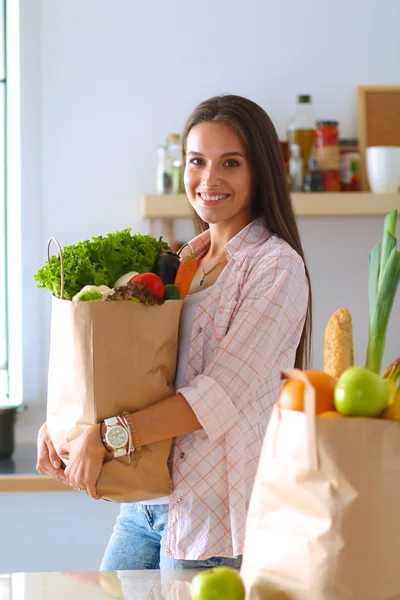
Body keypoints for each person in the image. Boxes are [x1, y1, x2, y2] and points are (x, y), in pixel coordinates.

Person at [37, 94, 312, 571]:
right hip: (144, 502)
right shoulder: (182, 261)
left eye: (230, 162)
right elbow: (134, 372)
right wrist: (64, 424)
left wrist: (105, 439)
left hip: (215, 520)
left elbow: (218, 395)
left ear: (260, 170)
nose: (209, 179)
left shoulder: (277, 267)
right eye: (197, 161)